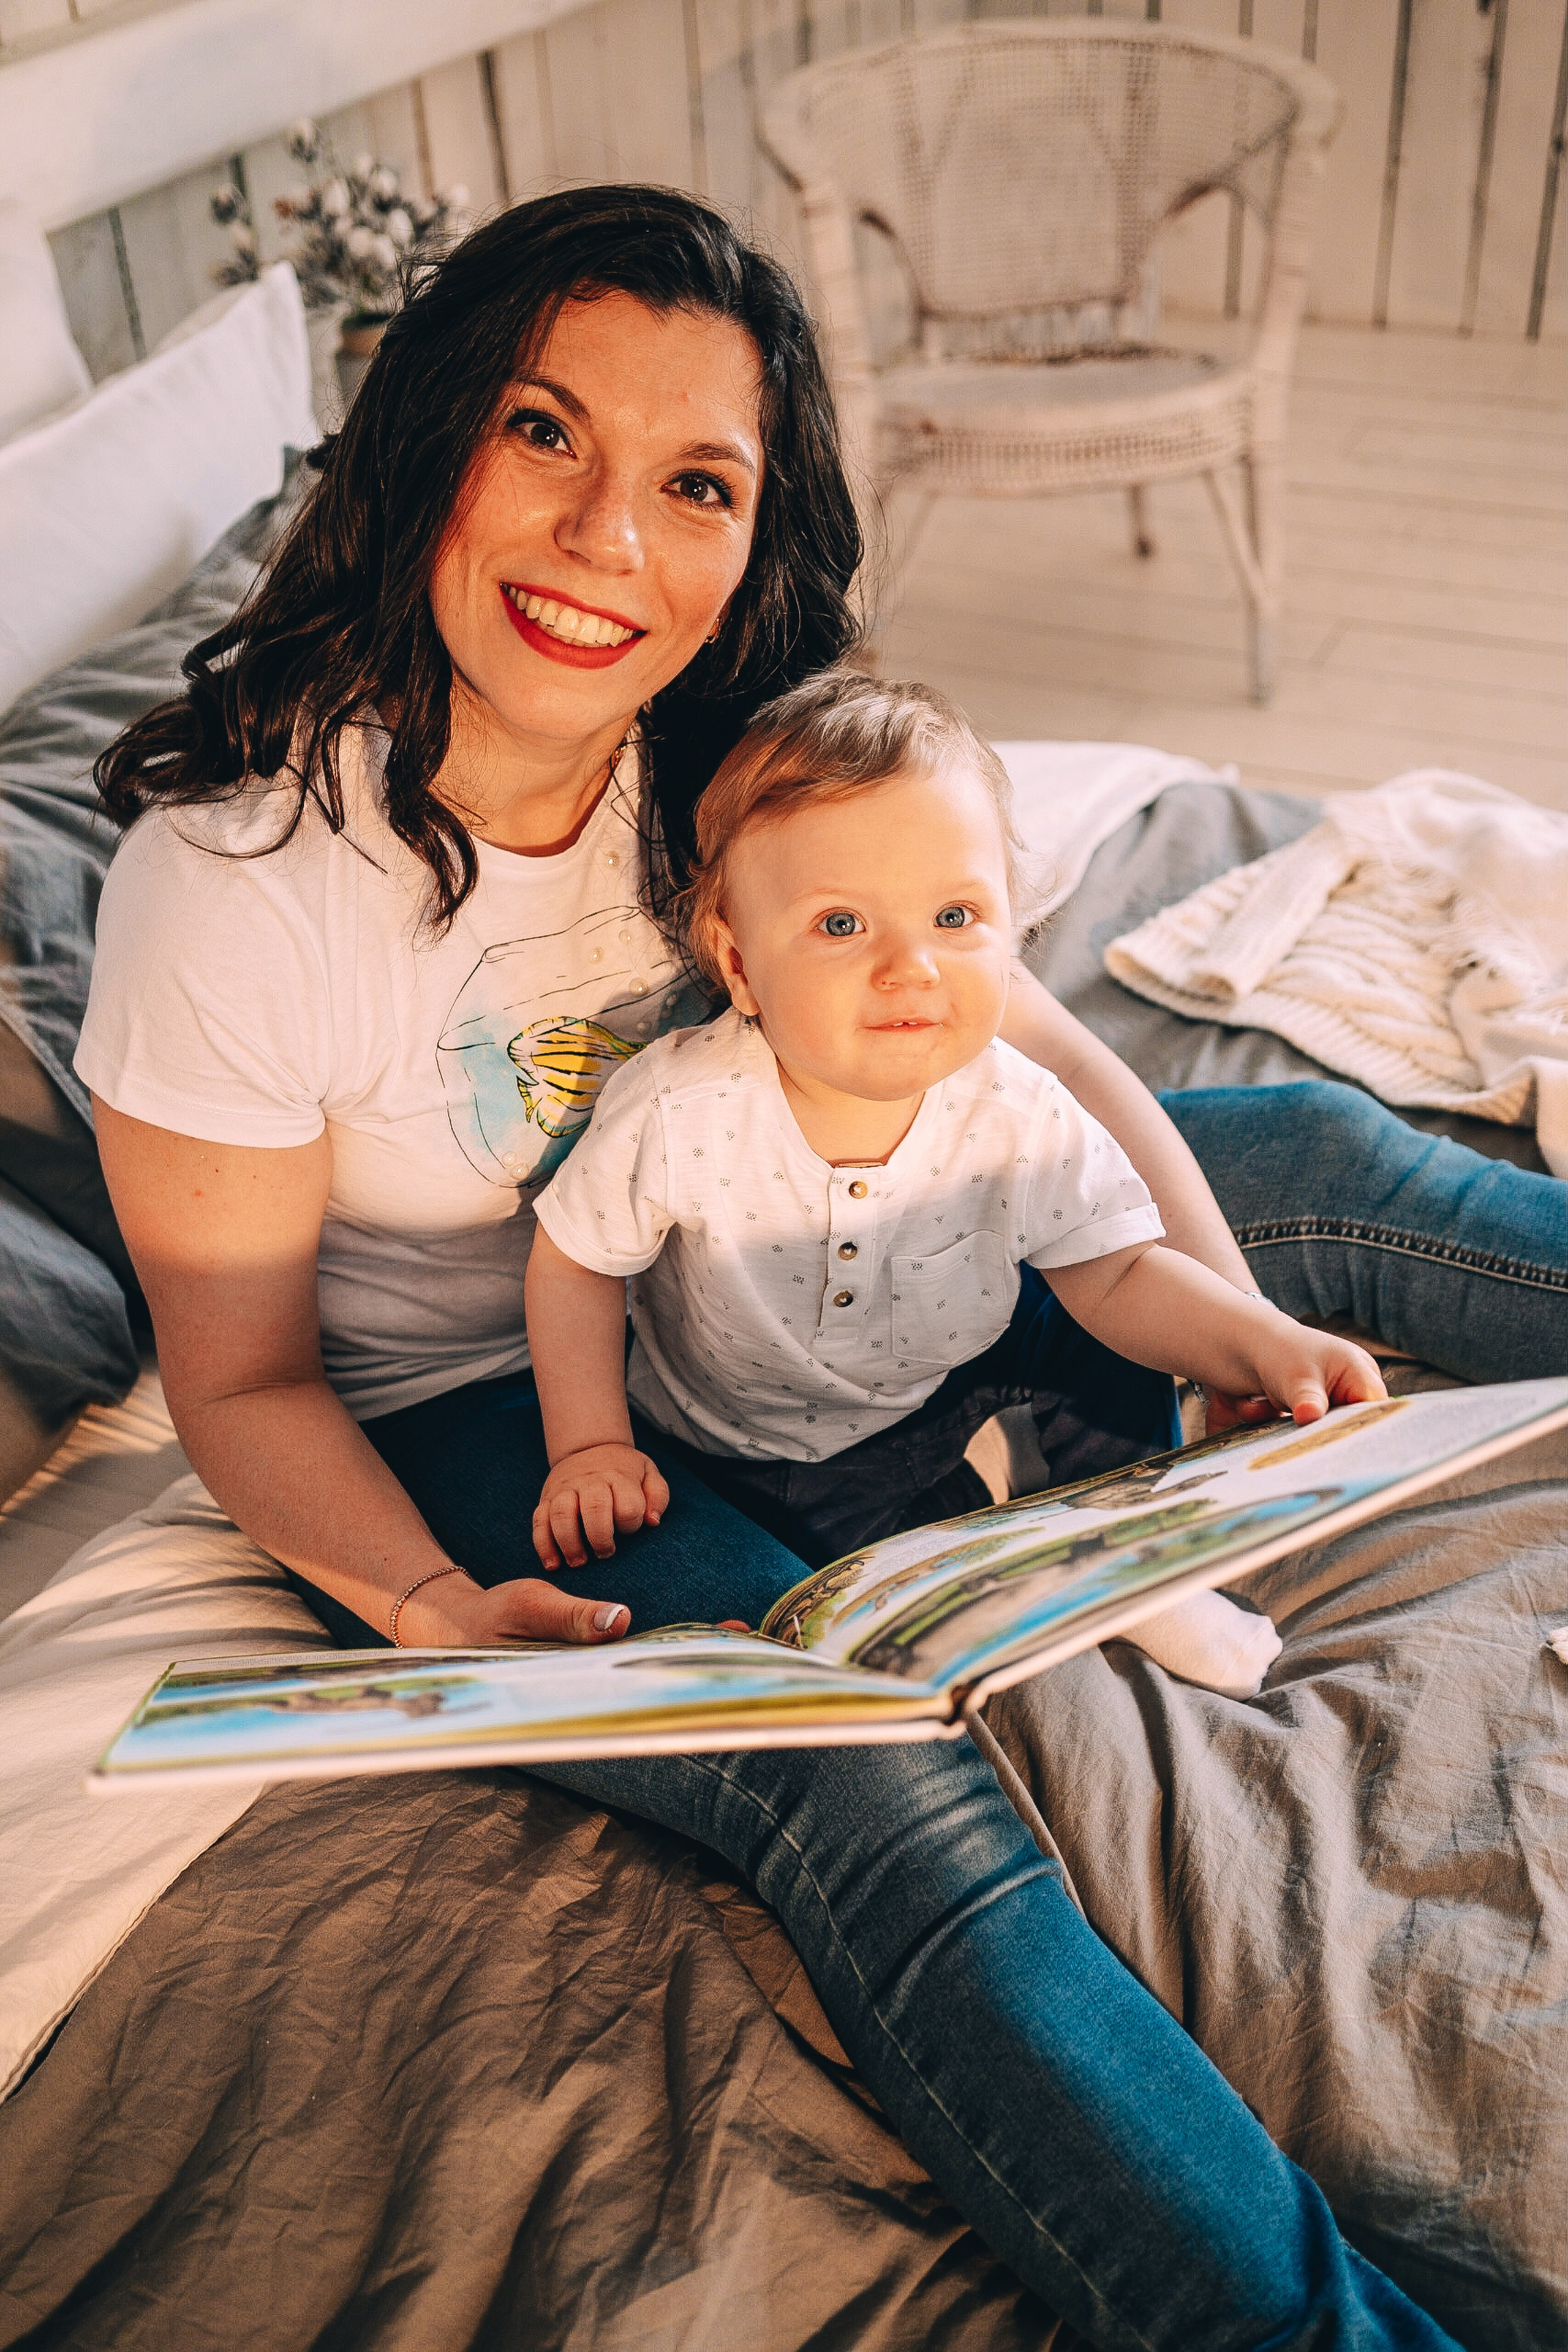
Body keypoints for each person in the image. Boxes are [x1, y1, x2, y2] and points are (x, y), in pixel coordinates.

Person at [79, 181, 1539, 2345]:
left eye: (695, 485)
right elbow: (252, 1385)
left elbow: (1037, 1053)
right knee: (868, 1783)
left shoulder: (730, 746)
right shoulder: (240, 884)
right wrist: (423, 1609)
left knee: (1324, 1151)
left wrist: (1220, 1329)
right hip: (499, 1413)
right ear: (424, 439)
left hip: (839, 1217)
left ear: (757, 539)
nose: (607, 544)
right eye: (545, 434)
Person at [526, 669, 1388, 1695]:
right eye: (842, 926)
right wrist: (588, 1445)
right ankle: (1005, 1546)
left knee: (1108, 1342)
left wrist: (1263, 1343)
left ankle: (1129, 1550)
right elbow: (575, 1263)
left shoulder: (1013, 1106)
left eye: (956, 916)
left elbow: (1117, 1275)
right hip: (768, 1439)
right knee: (864, 1594)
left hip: (952, 1354)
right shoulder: (680, 1111)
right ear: (740, 964)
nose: (913, 968)